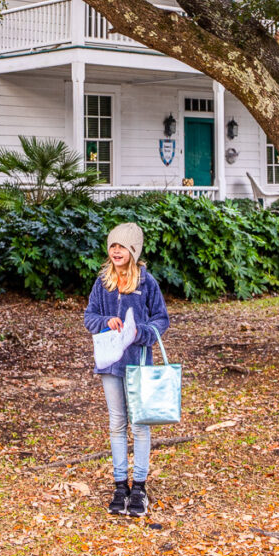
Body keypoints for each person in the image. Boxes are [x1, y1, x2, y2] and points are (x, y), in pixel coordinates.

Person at [84, 221, 169, 517]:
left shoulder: (147, 283)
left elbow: (161, 320)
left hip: (139, 363)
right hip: (109, 362)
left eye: (122, 246)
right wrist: (106, 321)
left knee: (140, 425)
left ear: (133, 250)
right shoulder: (103, 282)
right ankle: (121, 487)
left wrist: (140, 332)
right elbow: (89, 316)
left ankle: (140, 489)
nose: (116, 251)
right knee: (117, 423)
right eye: (112, 246)